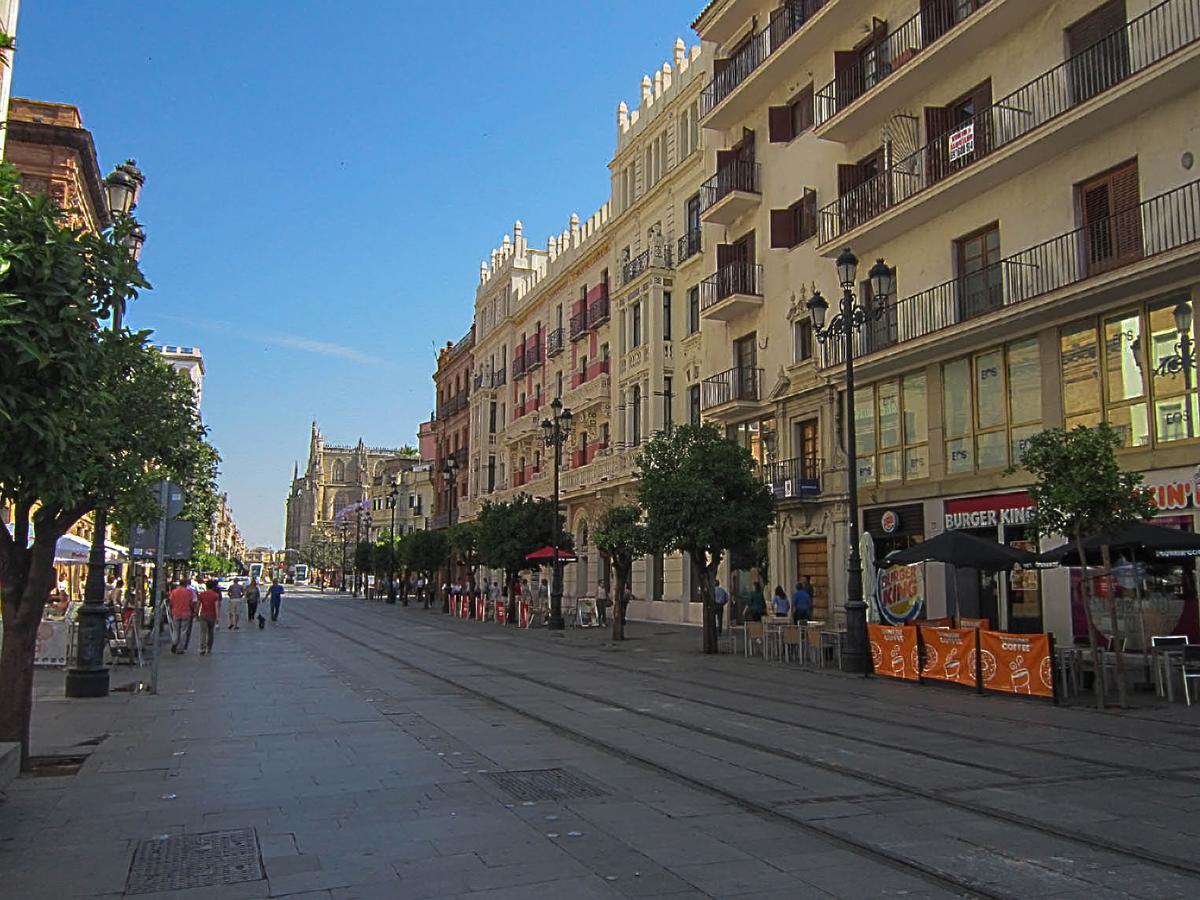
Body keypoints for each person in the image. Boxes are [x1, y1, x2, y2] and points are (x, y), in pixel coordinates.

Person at [169, 576, 197, 654]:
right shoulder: (189, 592)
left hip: (176, 612)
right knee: (183, 631)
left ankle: (174, 642)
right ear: (186, 584)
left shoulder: (174, 592)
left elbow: (171, 602)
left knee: (176, 630)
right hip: (186, 612)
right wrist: (194, 611)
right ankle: (180, 648)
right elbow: (193, 602)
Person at [197, 579, 221, 655]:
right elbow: (216, 607)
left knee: (203, 632)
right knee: (210, 632)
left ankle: (202, 648)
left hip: (203, 615)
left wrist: (196, 613)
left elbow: (198, 605)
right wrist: (217, 618)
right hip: (212, 616)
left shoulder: (202, 595)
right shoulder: (215, 595)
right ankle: (209, 648)